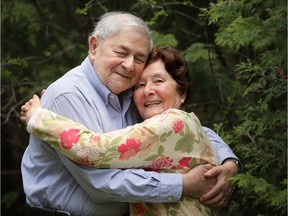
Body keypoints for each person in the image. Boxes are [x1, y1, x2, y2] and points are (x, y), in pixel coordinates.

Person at [21, 12, 240, 216]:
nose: (128, 65)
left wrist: (229, 164)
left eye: (139, 58)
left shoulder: (132, 93)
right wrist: (183, 184)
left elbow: (191, 132)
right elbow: (100, 184)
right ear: (94, 46)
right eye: (121, 52)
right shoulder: (67, 95)